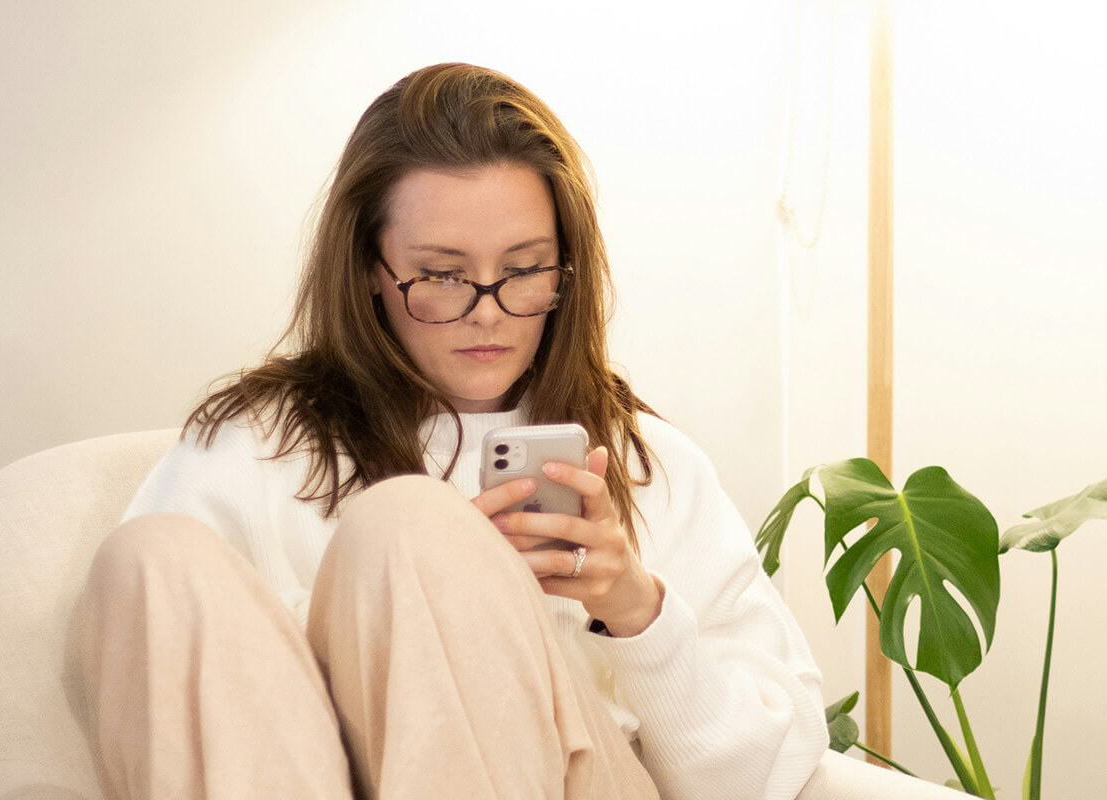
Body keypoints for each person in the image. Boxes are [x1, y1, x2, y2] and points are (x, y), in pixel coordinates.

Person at [78, 63, 828, 800]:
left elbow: (768, 776)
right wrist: (421, 607)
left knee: (410, 527)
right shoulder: (257, 446)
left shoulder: (644, 464)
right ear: (370, 269)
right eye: (441, 273)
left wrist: (639, 612)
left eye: (525, 269)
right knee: (150, 555)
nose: (488, 310)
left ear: (566, 268)